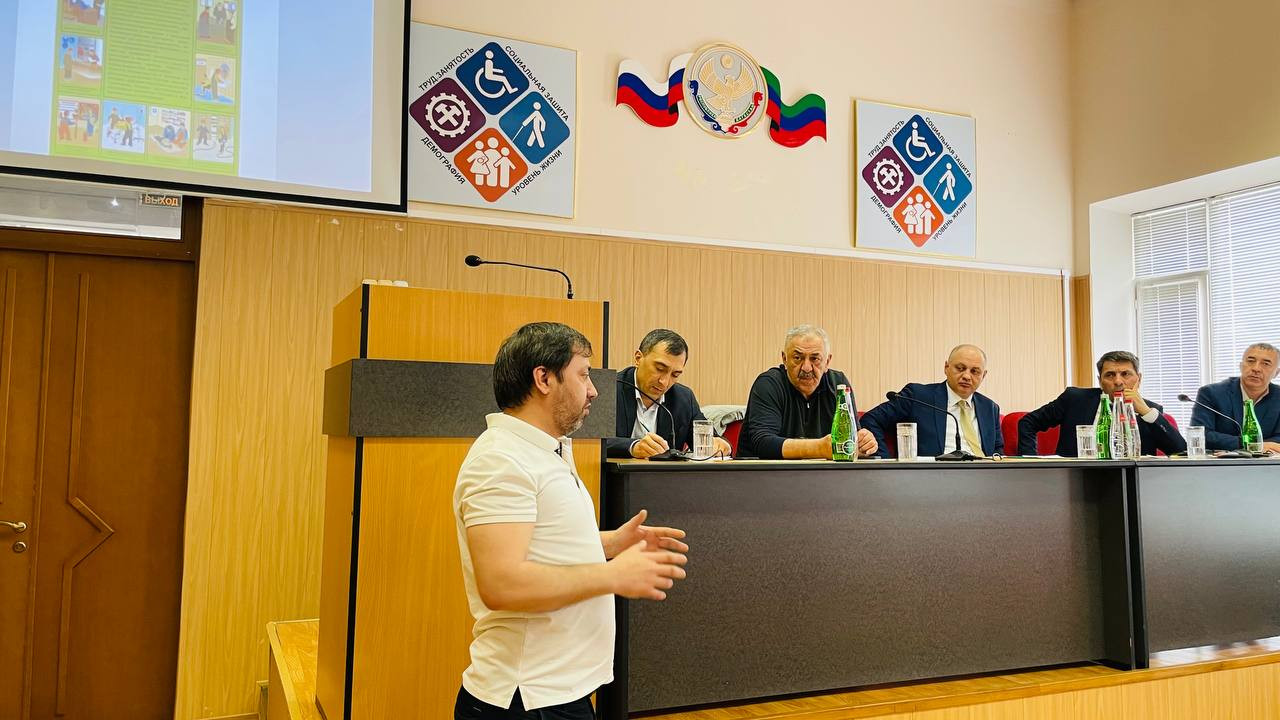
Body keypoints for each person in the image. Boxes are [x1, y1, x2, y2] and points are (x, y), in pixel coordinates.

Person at [453, 322, 688, 719]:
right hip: (525, 698)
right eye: (583, 375)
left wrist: (611, 543)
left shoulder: (546, 450)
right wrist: (612, 575)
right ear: (544, 378)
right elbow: (501, 583)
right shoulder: (500, 460)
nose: (593, 390)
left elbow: (544, 546)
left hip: (558, 693)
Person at [737, 324, 877, 459]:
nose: (806, 368)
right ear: (785, 359)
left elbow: (851, 438)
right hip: (765, 473)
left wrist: (863, 444)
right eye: (797, 358)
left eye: (815, 359)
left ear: (827, 362)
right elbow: (763, 443)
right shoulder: (768, 384)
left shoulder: (838, 385)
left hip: (823, 473)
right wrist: (819, 448)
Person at [1019, 350, 1185, 456]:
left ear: (1139, 379)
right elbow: (1028, 423)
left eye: (1125, 374)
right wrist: (1031, 464)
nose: (1118, 381)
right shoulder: (1074, 399)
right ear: (1100, 381)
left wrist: (1146, 412)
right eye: (1110, 375)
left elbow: (1180, 452)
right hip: (1077, 481)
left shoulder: (1151, 411)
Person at [607, 328, 732, 459]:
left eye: (675, 375)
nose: (664, 382)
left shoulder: (683, 398)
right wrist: (633, 447)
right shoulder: (608, 388)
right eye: (659, 369)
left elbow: (709, 439)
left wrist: (722, 445)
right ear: (638, 358)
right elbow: (596, 443)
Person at [860, 344, 1003, 458]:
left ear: (983, 375)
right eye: (960, 368)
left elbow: (997, 451)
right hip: (932, 477)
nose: (966, 376)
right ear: (946, 368)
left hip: (982, 477)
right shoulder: (917, 396)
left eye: (974, 371)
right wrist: (886, 461)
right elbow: (871, 419)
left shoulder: (990, 408)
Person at [1192, 342, 1280, 452]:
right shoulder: (1211, 393)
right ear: (1241, 366)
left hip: (1267, 461)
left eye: (1266, 364)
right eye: (1251, 361)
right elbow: (1200, 435)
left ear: (1276, 372)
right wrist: (1249, 444)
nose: (1256, 368)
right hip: (1223, 461)